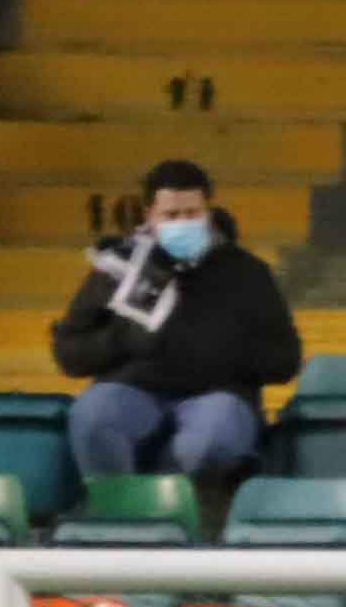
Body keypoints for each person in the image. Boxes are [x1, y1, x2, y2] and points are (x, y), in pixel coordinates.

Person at [53, 163, 298, 487]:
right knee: (93, 417)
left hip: (217, 396)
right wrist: (120, 340)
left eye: (192, 214)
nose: (182, 223)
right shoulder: (117, 269)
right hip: (131, 390)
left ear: (208, 212)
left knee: (211, 438)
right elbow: (70, 354)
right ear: (149, 215)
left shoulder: (247, 273)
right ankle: (115, 513)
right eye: (171, 215)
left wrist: (229, 349)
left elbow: (285, 362)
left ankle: (165, 513)